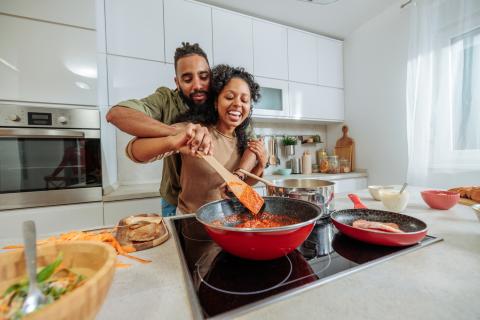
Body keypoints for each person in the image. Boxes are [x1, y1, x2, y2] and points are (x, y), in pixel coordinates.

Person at [106, 43, 263, 216]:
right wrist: (176, 136)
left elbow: (252, 146)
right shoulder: (172, 106)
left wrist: (241, 175)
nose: (198, 86)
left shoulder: (236, 123)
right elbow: (122, 124)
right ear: (177, 82)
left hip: (225, 216)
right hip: (179, 202)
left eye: (204, 77)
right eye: (188, 79)